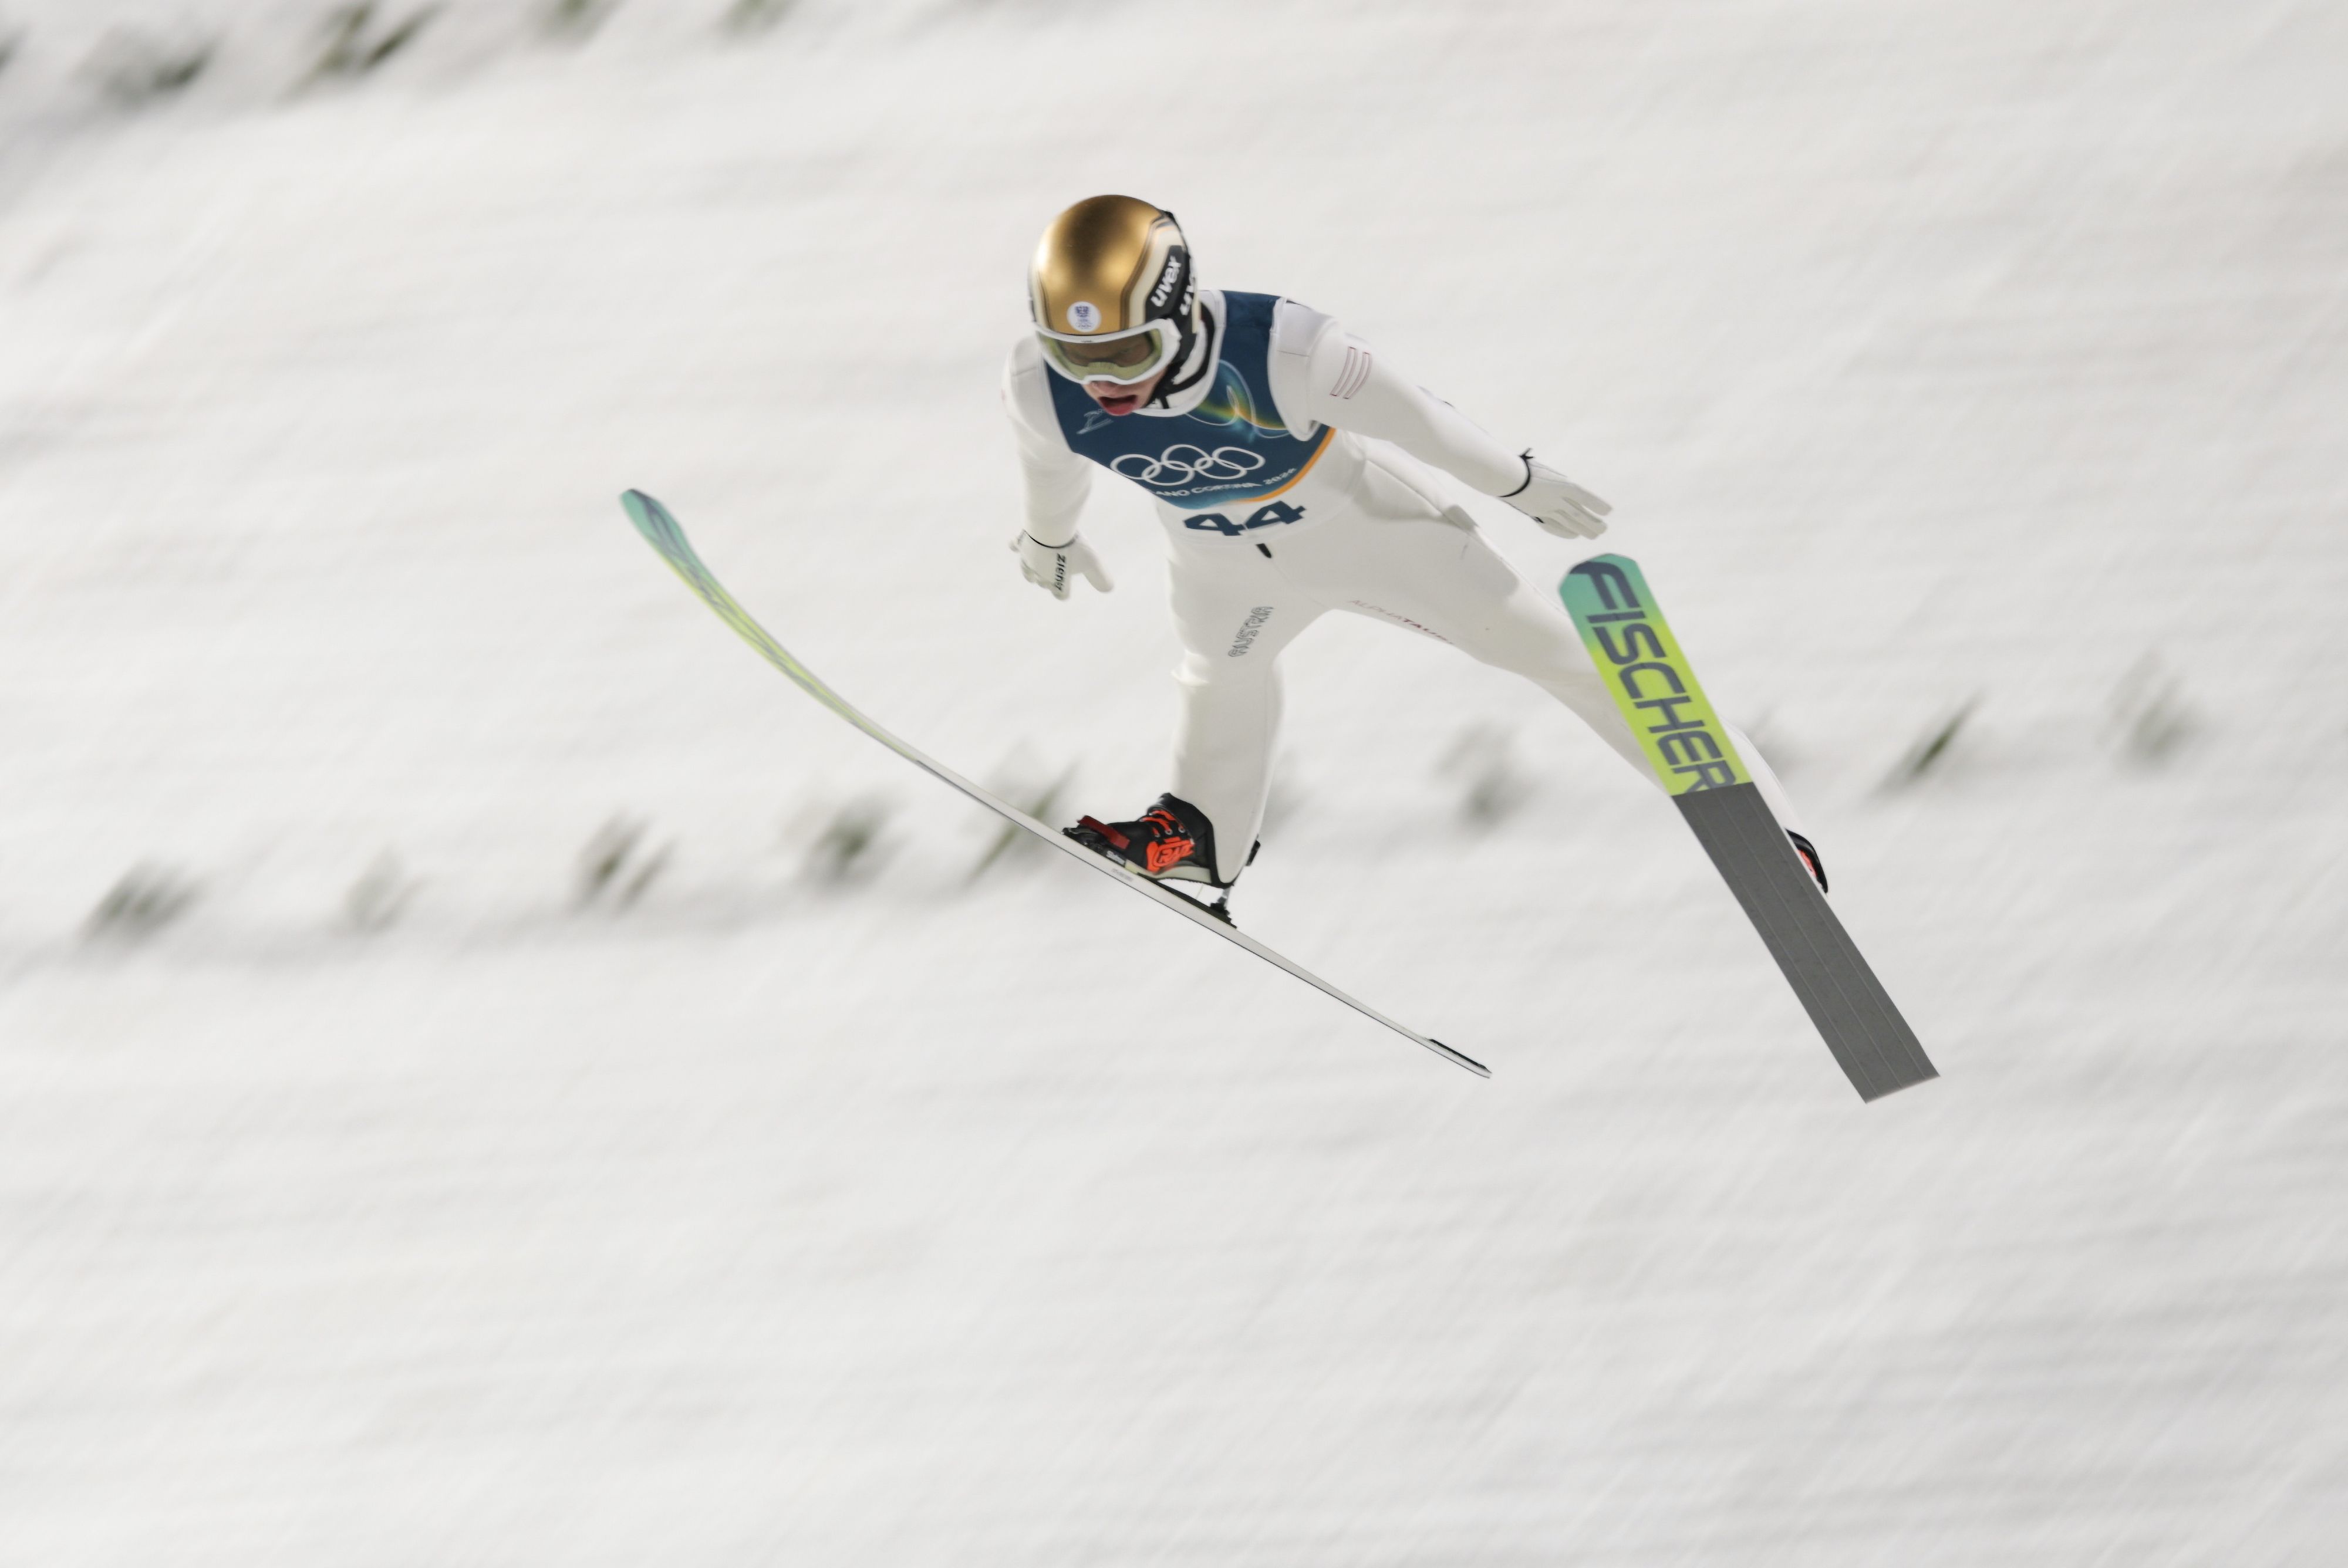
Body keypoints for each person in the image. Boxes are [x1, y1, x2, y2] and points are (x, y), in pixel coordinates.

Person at [1002, 195, 1824, 897]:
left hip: (1373, 538)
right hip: (1220, 568)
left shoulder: (1283, 348)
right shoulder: (1042, 386)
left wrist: (1520, 482)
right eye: (1074, 354)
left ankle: (1753, 817)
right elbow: (1049, 462)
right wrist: (1050, 537)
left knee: (1555, 656)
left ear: (1179, 312)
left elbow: (1423, 421)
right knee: (1220, 675)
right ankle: (1203, 837)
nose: (1103, 380)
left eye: (1126, 350)